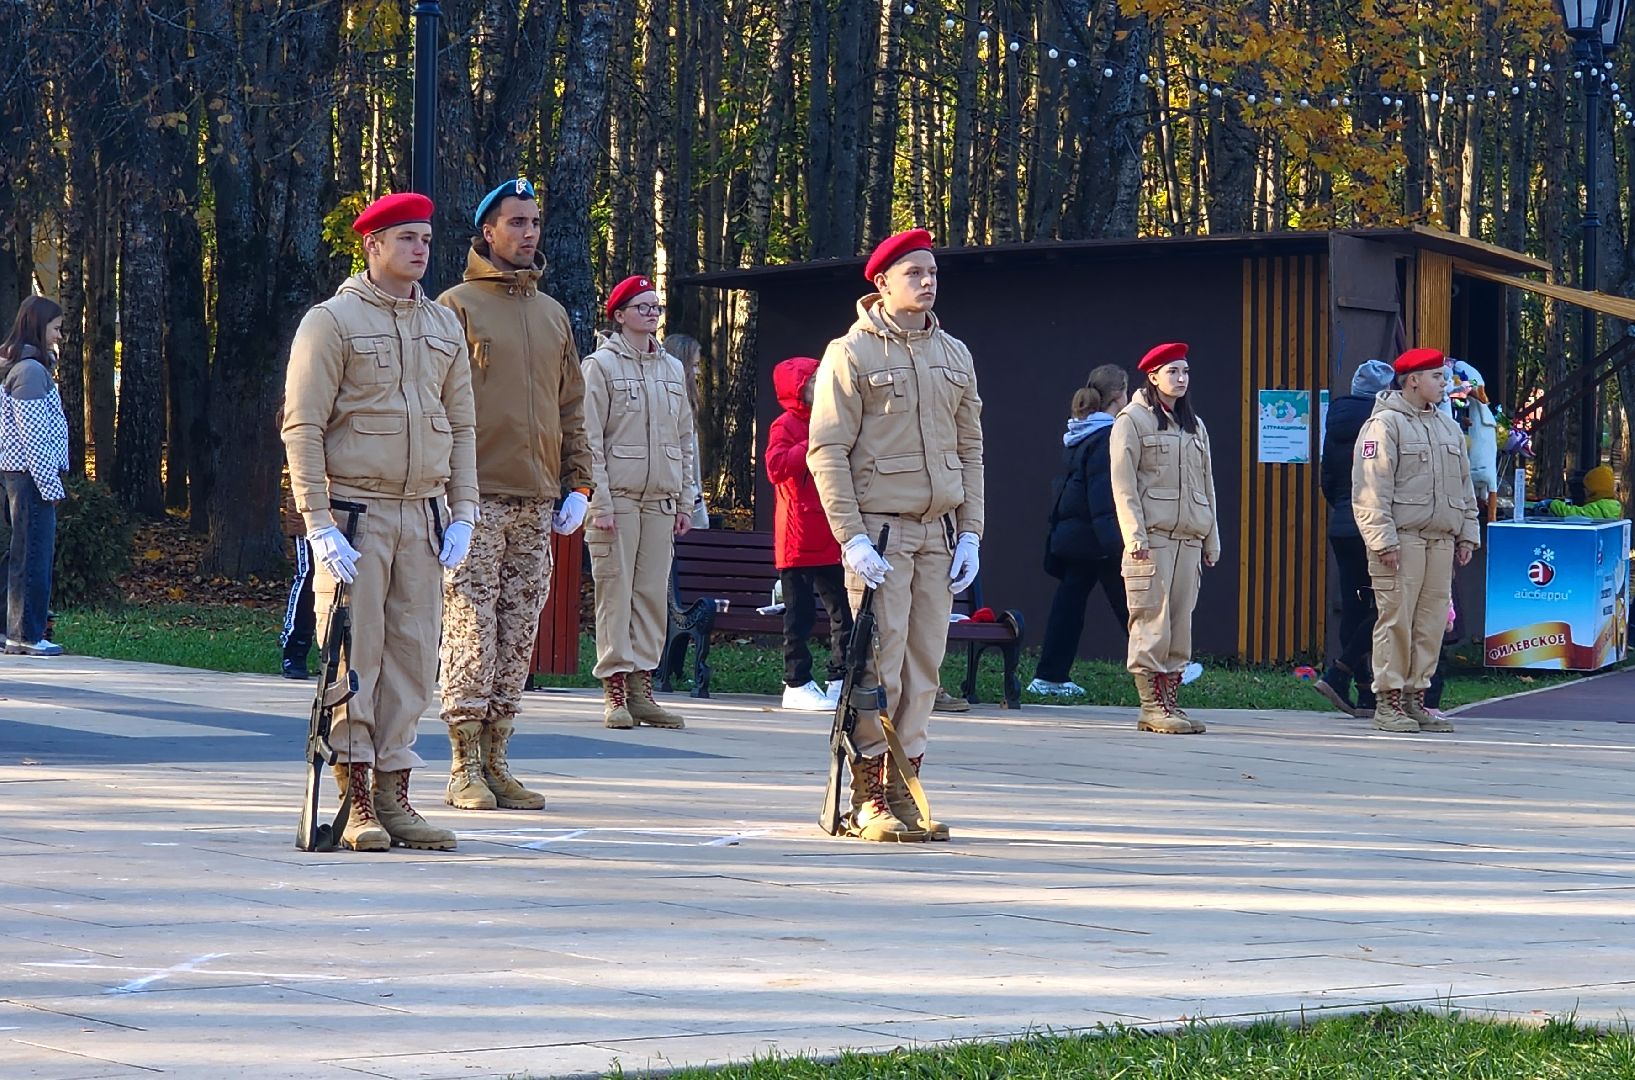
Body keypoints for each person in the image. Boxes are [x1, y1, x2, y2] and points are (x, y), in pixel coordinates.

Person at [281, 192, 478, 852]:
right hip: (355, 514)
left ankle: (395, 794)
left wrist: (464, 511)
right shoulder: (331, 321)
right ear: (372, 246)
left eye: (426, 239)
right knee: (354, 655)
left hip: (422, 514)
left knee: (413, 658)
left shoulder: (443, 325)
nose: (420, 250)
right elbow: (304, 425)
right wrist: (317, 520)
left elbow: (462, 425)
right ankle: (355, 796)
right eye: (406, 239)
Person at [808, 228, 985, 842]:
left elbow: (971, 449)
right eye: (914, 273)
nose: (928, 282)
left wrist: (971, 532)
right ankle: (869, 796)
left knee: (924, 667)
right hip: (880, 534)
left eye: (932, 272)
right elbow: (827, 450)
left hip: (938, 532)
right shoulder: (851, 352)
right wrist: (851, 537)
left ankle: (907, 790)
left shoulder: (954, 354)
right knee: (877, 667)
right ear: (882, 283)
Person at [434, 178, 593, 812]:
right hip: (475, 496)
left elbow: (572, 406)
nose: (529, 233)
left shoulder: (551, 314)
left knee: (519, 629)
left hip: (536, 496)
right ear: (488, 232)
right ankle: (463, 765)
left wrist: (580, 481)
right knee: (471, 628)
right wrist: (448, 490)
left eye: (534, 222)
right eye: (516, 222)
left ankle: (498, 758)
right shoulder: (454, 306)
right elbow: (437, 401)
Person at [582, 275, 696, 730]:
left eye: (655, 307)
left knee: (650, 594)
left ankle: (642, 690)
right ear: (619, 315)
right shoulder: (601, 366)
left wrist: (686, 500)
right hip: (619, 499)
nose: (651, 314)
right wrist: (600, 502)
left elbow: (685, 438)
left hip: (660, 501)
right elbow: (589, 439)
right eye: (642, 307)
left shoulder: (671, 368)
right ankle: (614, 689)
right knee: (616, 592)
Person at [1352, 346, 1480, 734]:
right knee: (1396, 621)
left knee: (1431, 623)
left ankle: (1415, 698)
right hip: (1402, 541)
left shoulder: (1447, 426)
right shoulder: (1384, 425)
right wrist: (1383, 541)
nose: (1445, 384)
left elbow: (1464, 486)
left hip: (1440, 541)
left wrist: (1467, 534)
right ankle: (1388, 702)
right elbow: (1371, 489)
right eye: (1437, 377)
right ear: (1413, 381)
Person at [1109, 342, 1220, 735]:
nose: (1181, 378)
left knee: (1179, 624)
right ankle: (1151, 706)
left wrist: (1211, 538)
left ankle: (1171, 701)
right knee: (1151, 621)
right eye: (1172, 371)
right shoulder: (1132, 420)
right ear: (1153, 376)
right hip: (1152, 539)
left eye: (1185, 371)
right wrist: (1134, 537)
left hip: (1189, 537)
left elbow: (1206, 485)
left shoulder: (1194, 425)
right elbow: (1123, 484)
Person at [1030, 363, 1131, 697]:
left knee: (1071, 606)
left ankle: (1049, 675)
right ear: (1119, 395)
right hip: (1097, 539)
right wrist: (1117, 545)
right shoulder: (1107, 436)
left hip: (1078, 536)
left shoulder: (1081, 429)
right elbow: (1103, 495)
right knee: (1133, 604)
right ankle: (1162, 669)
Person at [766, 355, 853, 712]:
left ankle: (840, 677)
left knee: (844, 611)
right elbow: (775, 467)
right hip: (799, 535)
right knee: (799, 616)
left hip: (831, 532)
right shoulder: (785, 425)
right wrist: (809, 445)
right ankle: (797, 681)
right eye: (815, 380)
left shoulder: (834, 419)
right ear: (798, 389)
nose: (823, 384)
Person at [1313, 359, 1396, 718]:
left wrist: (1344, 509)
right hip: (1374, 526)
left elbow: (1328, 478)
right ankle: (1341, 671)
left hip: (1342, 526)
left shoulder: (1336, 420)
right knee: (1388, 603)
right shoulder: (1385, 422)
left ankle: (1362, 691)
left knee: (1355, 604)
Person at [0, 296, 70, 657]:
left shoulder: (28, 367)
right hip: (31, 477)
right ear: (38, 326)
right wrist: (50, 485)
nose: (59, 336)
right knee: (34, 555)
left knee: (20, 553)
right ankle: (27, 633)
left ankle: (10, 630)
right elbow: (35, 437)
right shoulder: (29, 371)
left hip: (22, 475)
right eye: (55, 328)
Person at [663, 332, 711, 530]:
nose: (697, 373)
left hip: (687, 499)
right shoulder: (668, 402)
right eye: (694, 365)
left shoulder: (687, 401)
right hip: (673, 503)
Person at [279, 472, 317, 679]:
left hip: (354, 511)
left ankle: (341, 653)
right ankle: (295, 649)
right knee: (309, 577)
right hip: (310, 513)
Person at [1532, 464, 1621, 518]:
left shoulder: (1600, 507)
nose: (1585, 492)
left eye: (1587, 489)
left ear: (1594, 491)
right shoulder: (1612, 505)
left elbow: (1574, 514)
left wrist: (1554, 504)